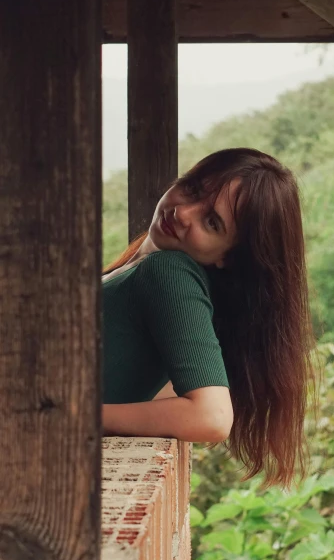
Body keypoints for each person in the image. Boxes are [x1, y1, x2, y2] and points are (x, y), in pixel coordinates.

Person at [102, 148, 315, 490]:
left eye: (211, 222)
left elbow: (212, 417)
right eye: (193, 189)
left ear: (228, 257)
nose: (183, 213)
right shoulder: (146, 269)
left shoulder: (169, 273)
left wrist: (78, 418)